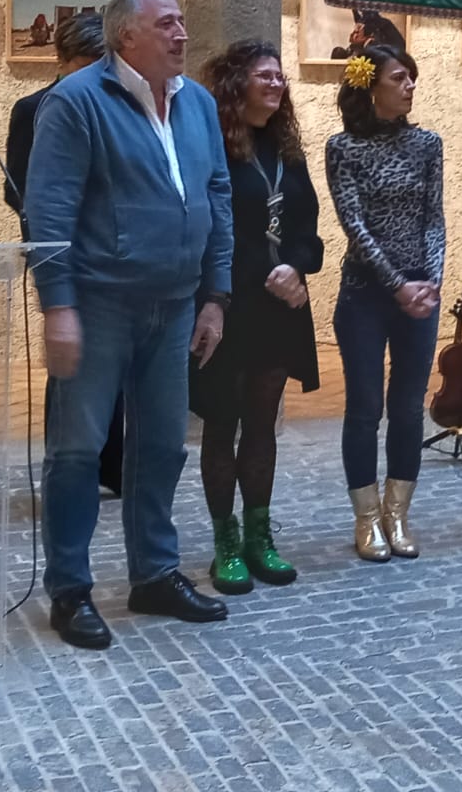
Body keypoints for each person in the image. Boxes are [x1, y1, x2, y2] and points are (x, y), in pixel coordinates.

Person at [26, 0, 235, 650]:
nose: (182, 34)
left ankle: (153, 574)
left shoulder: (197, 103)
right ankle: (70, 588)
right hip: (97, 303)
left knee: (163, 447)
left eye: (182, 22)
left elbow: (217, 197)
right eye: (168, 23)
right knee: (78, 450)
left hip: (175, 307)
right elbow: (48, 213)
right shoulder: (76, 103)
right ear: (127, 36)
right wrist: (58, 307)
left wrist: (215, 295)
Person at [192, 42, 323, 593]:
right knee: (224, 422)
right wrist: (212, 298)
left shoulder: (287, 149)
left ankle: (259, 537)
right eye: (264, 76)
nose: (276, 84)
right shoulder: (212, 146)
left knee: (264, 421)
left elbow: (308, 227)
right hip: (228, 301)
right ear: (235, 83)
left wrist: (298, 267)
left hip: (279, 304)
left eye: (279, 76)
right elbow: (204, 228)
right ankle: (225, 542)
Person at [328, 44, 444, 562]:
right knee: (366, 407)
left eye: (412, 78)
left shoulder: (428, 144)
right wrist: (397, 283)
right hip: (366, 294)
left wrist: (432, 280)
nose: (410, 86)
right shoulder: (342, 148)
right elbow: (353, 224)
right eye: (401, 78)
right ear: (371, 87)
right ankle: (367, 517)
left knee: (408, 408)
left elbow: (434, 218)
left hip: (420, 293)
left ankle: (399, 514)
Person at [3, 13, 123, 496]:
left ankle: (114, 468)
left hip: (112, 252)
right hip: (61, 252)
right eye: (86, 63)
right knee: (70, 366)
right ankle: (68, 471)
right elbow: (18, 187)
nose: (97, 72)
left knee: (118, 365)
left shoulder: (119, 103)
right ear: (63, 60)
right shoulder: (31, 109)